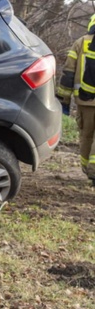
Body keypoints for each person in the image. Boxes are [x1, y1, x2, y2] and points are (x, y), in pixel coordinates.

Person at [57, 12, 95, 187]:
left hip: (85, 101)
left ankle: (89, 170)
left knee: (86, 135)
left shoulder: (81, 43)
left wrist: (63, 100)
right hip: (85, 100)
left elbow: (68, 73)